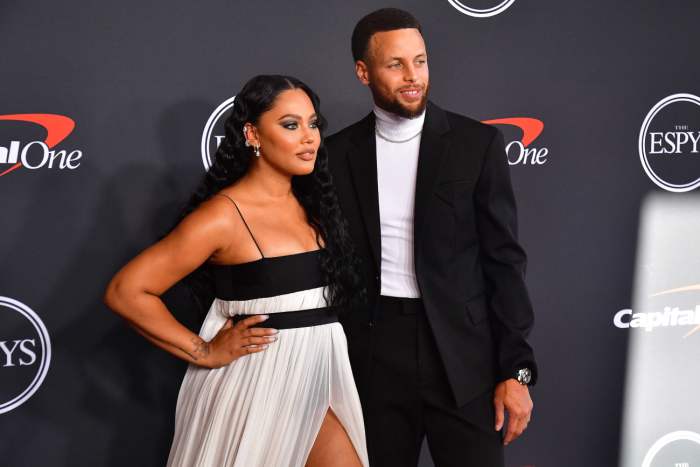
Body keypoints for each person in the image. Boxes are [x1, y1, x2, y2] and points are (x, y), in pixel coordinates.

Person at [103, 75, 369, 467]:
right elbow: (126, 291)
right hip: (255, 383)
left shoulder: (315, 205)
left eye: (313, 124)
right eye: (290, 125)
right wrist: (204, 350)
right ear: (252, 133)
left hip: (320, 373)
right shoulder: (222, 216)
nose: (309, 137)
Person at [325, 8, 538, 467]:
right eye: (395, 64)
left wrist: (517, 372)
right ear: (364, 72)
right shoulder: (335, 155)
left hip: (464, 357)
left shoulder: (475, 144)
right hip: (374, 355)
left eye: (420, 61)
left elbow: (505, 265)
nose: (412, 76)